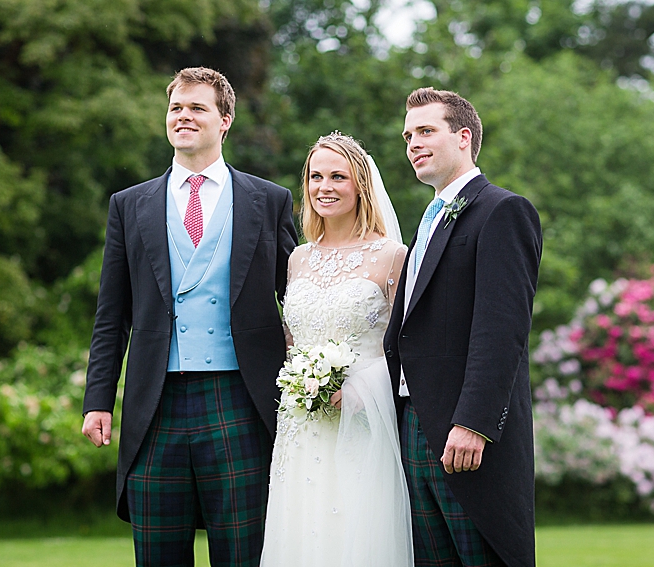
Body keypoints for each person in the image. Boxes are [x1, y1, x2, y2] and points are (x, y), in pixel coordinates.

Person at [81, 67, 297, 567]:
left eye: (197, 107)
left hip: (242, 399)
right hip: (155, 404)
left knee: (244, 553)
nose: (184, 116)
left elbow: (299, 299)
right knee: (157, 554)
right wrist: (98, 399)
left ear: (224, 120)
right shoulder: (128, 205)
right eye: (176, 107)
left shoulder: (269, 200)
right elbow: (112, 315)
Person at [383, 88, 542, 567]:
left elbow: (502, 329)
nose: (413, 143)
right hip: (414, 423)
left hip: (464, 433)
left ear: (464, 137)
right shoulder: (428, 219)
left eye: (426, 131)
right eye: (408, 135)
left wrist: (473, 422)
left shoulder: (502, 211)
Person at [260, 132, 413, 567]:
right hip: (299, 424)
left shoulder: (391, 256)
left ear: (360, 185)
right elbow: (293, 341)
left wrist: (361, 391)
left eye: (337, 177)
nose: (324, 187)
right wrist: (300, 380)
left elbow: (405, 346)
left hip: (363, 419)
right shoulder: (298, 259)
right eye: (315, 176)